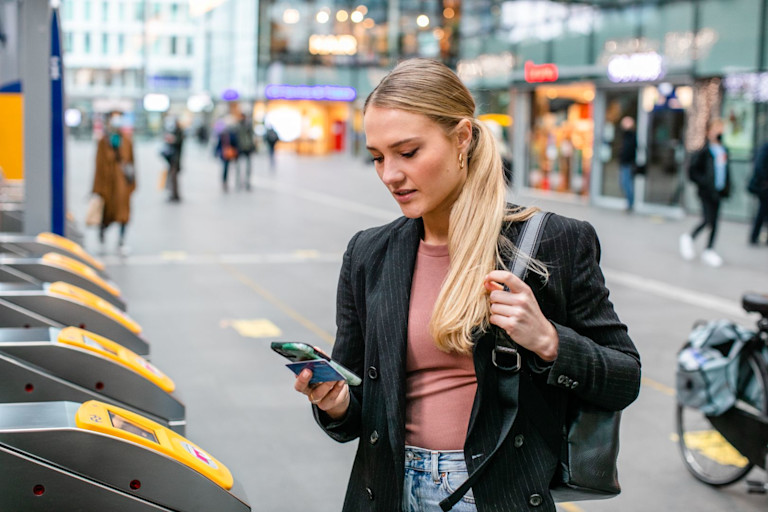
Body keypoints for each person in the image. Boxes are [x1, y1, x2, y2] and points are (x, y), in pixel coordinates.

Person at [290, 59, 641, 512]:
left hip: (493, 492)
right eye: (378, 157)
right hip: (389, 490)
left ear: (462, 138)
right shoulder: (369, 253)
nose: (389, 175)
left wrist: (550, 341)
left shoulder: (552, 242)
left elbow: (624, 378)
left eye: (408, 152)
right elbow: (358, 407)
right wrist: (335, 402)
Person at [679, 118, 731, 267]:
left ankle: (709, 250)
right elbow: (693, 171)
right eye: (716, 129)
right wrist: (704, 183)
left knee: (715, 222)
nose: (720, 132)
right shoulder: (704, 151)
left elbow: (725, 172)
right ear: (709, 132)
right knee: (708, 219)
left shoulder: (724, 150)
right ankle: (689, 237)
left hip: (719, 192)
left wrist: (726, 188)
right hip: (706, 192)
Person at [91, 111, 136, 256]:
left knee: (123, 214)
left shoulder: (127, 141)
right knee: (106, 213)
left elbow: (132, 163)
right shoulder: (103, 141)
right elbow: (98, 166)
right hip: (107, 184)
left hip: (123, 184)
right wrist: (97, 188)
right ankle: (102, 234)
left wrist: (132, 184)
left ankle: (121, 241)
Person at [748, 140, 768, 245]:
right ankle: (754, 236)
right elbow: (760, 167)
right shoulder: (765, 148)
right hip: (764, 188)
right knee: (762, 212)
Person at [618, 116, 637, 211]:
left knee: (627, 184)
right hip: (624, 163)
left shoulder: (631, 135)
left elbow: (630, 150)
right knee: (623, 183)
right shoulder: (625, 135)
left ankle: (630, 204)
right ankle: (629, 203)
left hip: (628, 163)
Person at [214, 117, 239, 192]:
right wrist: (216, 152)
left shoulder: (232, 134)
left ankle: (229, 181)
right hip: (224, 154)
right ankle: (224, 181)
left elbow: (235, 144)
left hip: (230, 153)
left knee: (228, 168)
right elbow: (218, 144)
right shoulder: (222, 135)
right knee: (225, 168)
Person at [164, 118, 184, 202]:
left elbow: (177, 142)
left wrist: (171, 140)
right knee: (172, 177)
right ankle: (173, 194)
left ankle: (175, 195)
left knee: (174, 177)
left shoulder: (179, 133)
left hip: (175, 159)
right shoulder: (175, 132)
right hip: (173, 158)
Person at [236, 113, 256, 190]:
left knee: (248, 166)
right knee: (239, 166)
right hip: (240, 148)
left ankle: (247, 182)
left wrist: (252, 147)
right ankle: (238, 182)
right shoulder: (238, 126)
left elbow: (251, 137)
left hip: (248, 148)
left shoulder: (248, 126)